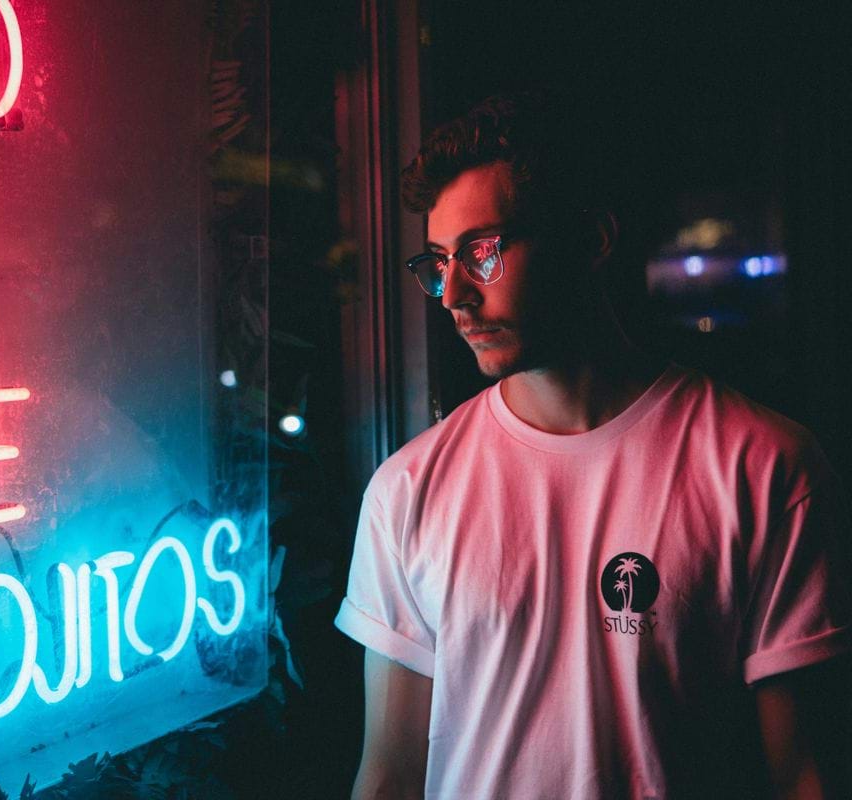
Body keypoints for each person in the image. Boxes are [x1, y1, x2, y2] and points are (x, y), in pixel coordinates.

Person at [334, 90, 851, 799]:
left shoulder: (762, 465)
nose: (453, 292)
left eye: (483, 252)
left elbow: (801, 774)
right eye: (438, 261)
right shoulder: (406, 491)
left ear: (592, 241)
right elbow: (389, 774)